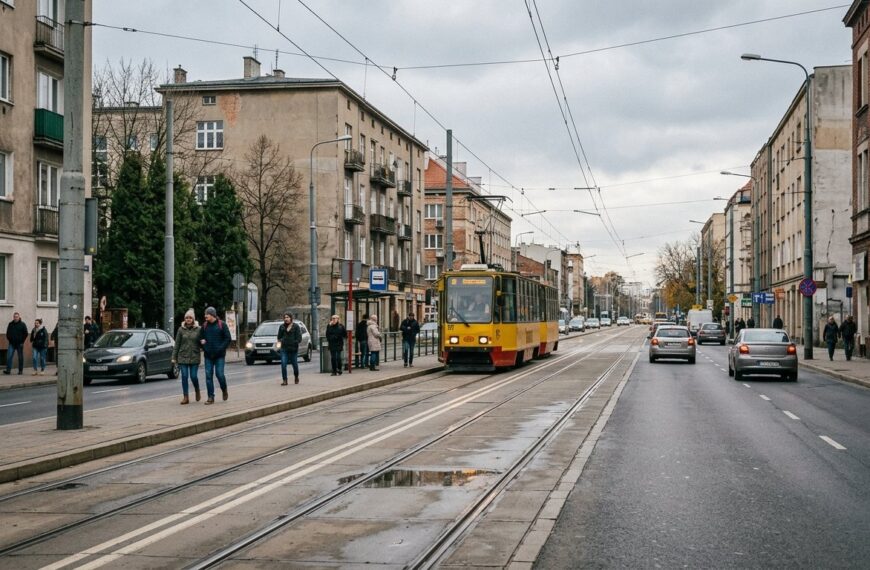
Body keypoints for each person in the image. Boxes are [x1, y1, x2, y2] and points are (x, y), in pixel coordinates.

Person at [198, 306, 231, 404]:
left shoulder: (222, 325)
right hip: (208, 355)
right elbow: (200, 338)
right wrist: (203, 345)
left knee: (219, 374)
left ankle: (224, 389)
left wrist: (220, 348)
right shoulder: (204, 326)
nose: (205, 316)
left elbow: (227, 338)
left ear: (212, 315)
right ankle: (210, 397)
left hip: (219, 355)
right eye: (205, 314)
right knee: (208, 376)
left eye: (207, 314)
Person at [172, 308, 202, 405]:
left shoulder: (199, 329)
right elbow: (177, 344)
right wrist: (174, 357)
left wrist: (203, 343)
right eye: (186, 318)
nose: (188, 319)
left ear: (193, 319)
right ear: (184, 319)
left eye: (190, 318)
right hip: (183, 356)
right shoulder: (181, 330)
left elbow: (202, 342)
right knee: (184, 376)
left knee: (193, 376)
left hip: (194, 356)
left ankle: (197, 390)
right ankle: (186, 397)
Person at [277, 312, 302, 385]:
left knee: (295, 365)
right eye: (285, 317)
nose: (286, 319)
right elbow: (279, 337)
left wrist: (294, 342)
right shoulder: (282, 327)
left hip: (293, 349)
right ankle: (285, 380)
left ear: (291, 318)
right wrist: (282, 340)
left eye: (287, 317)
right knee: (283, 364)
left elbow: (299, 338)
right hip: (284, 348)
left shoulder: (296, 326)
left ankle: (296, 376)